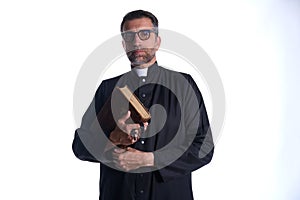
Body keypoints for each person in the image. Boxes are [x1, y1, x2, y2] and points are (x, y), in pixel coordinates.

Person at [72, 10, 214, 200]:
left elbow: (204, 148)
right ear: (123, 45)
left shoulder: (183, 85)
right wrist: (111, 139)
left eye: (144, 34)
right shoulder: (107, 89)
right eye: (129, 36)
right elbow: (80, 147)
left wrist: (151, 160)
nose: (137, 42)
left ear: (157, 41)